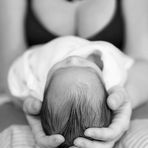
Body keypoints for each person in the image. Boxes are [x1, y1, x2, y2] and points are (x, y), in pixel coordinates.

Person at [0, 0, 148, 147]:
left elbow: (142, 64)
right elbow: (9, 70)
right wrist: (41, 105)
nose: (73, 60)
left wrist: (120, 102)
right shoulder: (106, 61)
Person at [8, 36, 133, 148]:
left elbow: (15, 77)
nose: (73, 60)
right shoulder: (110, 75)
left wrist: (24, 99)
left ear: (44, 92)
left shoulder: (37, 86)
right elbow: (125, 64)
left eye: (61, 68)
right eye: (87, 67)